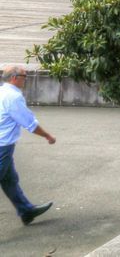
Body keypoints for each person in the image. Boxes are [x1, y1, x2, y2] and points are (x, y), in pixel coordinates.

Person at [1, 65, 55, 225]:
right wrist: (48, 136)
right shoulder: (13, 97)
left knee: (10, 180)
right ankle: (26, 210)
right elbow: (29, 123)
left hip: (4, 144)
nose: (26, 79)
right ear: (14, 77)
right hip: (3, 145)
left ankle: (26, 210)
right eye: (24, 76)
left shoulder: (2, 91)